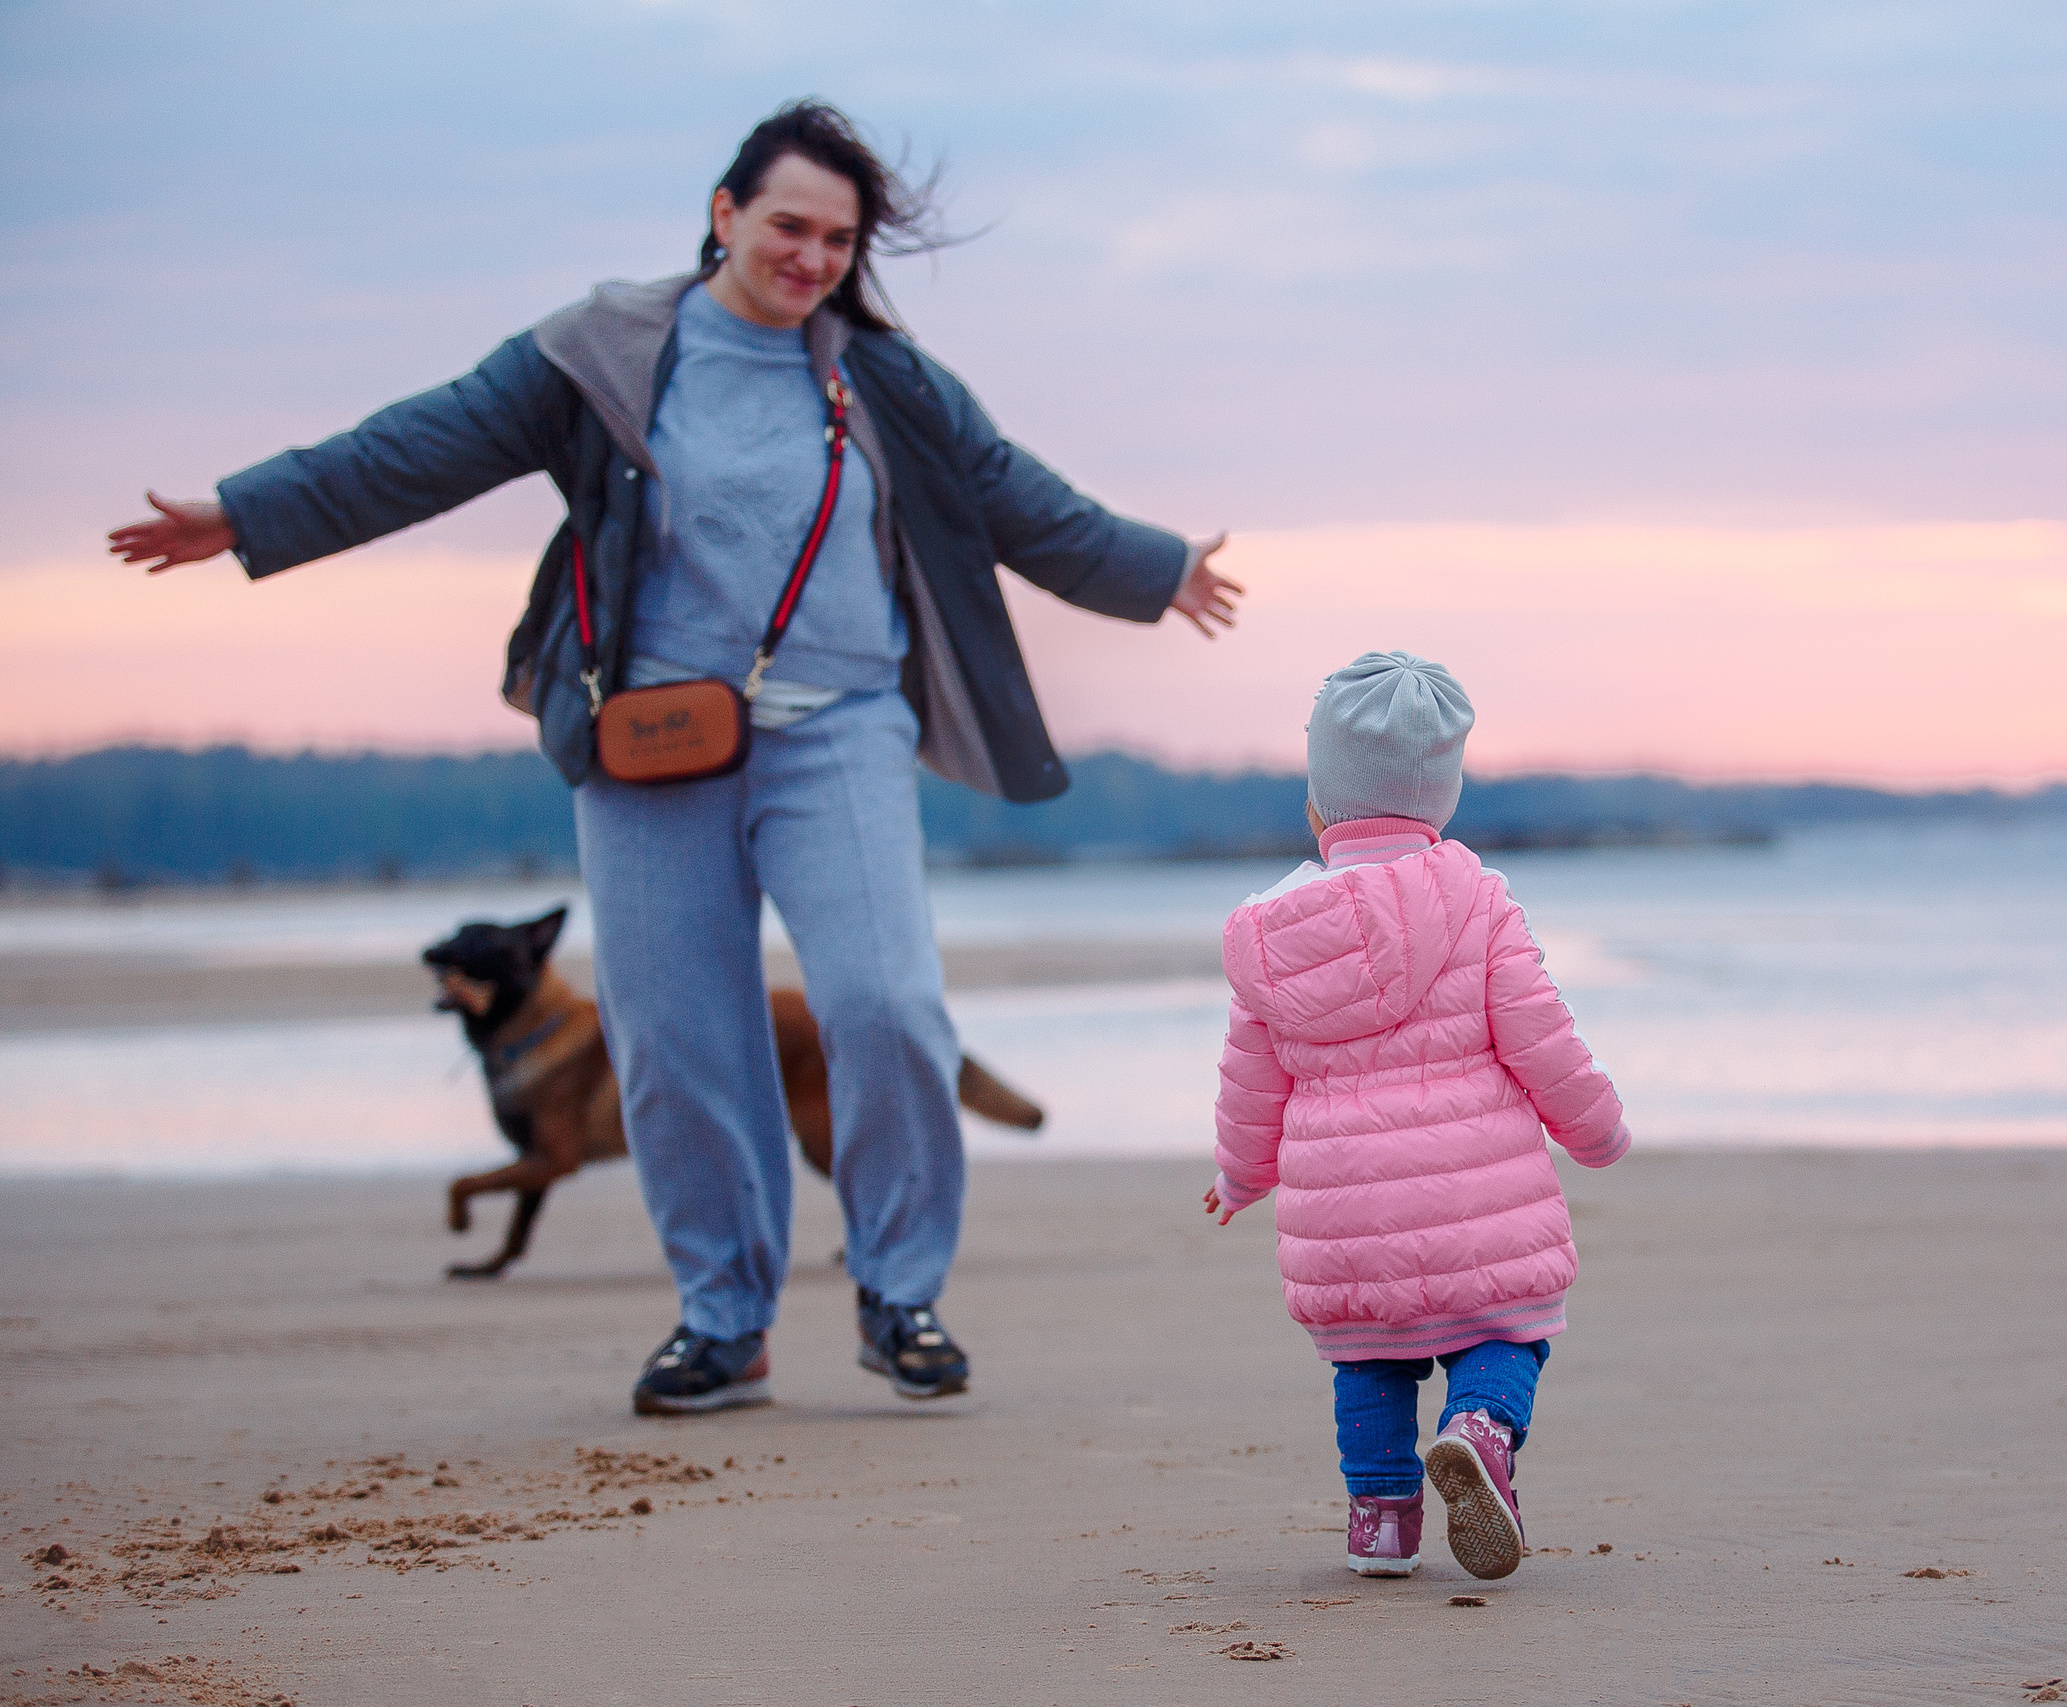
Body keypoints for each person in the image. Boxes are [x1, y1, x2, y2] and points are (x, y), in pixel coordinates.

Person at [109, 99, 1244, 1416]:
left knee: (885, 1005)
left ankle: (898, 1290)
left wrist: (1158, 569)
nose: (812, 256)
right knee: (673, 1041)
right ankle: (723, 1317)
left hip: (843, 729)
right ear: (724, 214)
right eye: (788, 225)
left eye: (837, 237)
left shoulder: (884, 378)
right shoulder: (603, 352)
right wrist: (247, 513)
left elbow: (1012, 492)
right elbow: (425, 442)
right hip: (651, 739)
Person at [1202, 651, 1629, 1581]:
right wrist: (1594, 1129)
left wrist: (1241, 1177)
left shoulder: (1272, 937)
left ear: (1318, 809)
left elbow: (1251, 1081)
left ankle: (1381, 1525)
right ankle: (1479, 1426)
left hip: (1342, 1219)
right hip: (1480, 1205)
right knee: (1510, 1327)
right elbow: (1540, 1033)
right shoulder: (1477, 899)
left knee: (1369, 1360)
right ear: (1443, 800)